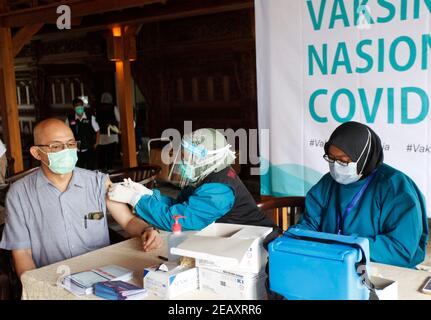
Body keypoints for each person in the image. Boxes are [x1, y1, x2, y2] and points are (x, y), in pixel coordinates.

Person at [0, 119, 162, 278]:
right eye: (56, 146)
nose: (66, 151)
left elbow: (127, 221)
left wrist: (146, 230)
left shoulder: (98, 182)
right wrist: (38, 289)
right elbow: (22, 253)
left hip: (103, 276)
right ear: (37, 153)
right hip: (54, 279)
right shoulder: (20, 194)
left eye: (70, 144)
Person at [292, 121, 428, 268]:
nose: (336, 166)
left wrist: (349, 247)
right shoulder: (327, 183)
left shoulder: (395, 187)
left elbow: (401, 248)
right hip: (332, 264)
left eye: (343, 161)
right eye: (331, 158)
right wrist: (296, 238)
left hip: (381, 269)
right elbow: (309, 225)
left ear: (364, 158)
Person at [108, 128, 276, 232]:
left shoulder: (218, 189)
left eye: (186, 158)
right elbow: (180, 206)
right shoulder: (211, 174)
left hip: (257, 246)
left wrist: (135, 200)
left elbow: (177, 220)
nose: (182, 163)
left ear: (205, 159)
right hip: (234, 239)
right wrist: (148, 194)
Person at [66, 98, 100, 170]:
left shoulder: (90, 117)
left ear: (83, 106)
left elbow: (97, 130)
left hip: (89, 148)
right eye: (77, 106)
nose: (79, 108)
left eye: (80, 106)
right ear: (73, 108)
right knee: (79, 169)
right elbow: (66, 133)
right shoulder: (70, 119)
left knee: (90, 169)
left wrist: (96, 143)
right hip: (76, 149)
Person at [96, 92, 120, 171]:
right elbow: (118, 119)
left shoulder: (98, 108)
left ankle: (101, 169)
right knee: (111, 152)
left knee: (102, 152)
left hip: (101, 134)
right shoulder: (113, 107)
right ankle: (110, 169)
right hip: (112, 134)